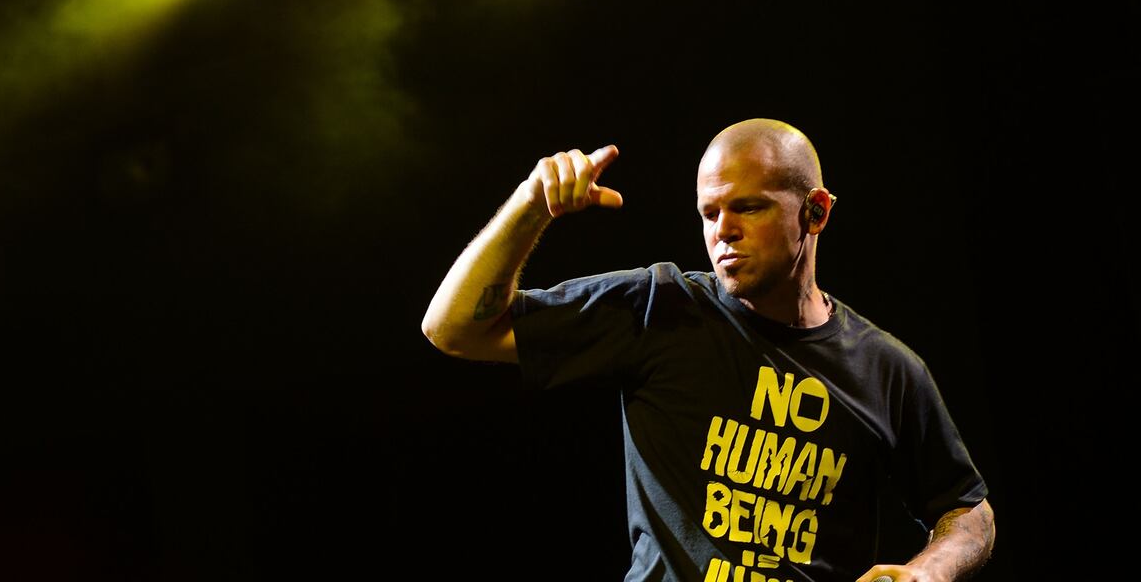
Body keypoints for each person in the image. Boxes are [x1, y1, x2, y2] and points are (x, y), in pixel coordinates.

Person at [421, 118, 995, 582]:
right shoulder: (660, 307)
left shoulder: (885, 369)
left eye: (748, 207)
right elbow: (452, 328)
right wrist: (530, 206)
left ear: (815, 211)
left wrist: (926, 573)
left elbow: (969, 510)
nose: (722, 229)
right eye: (708, 212)